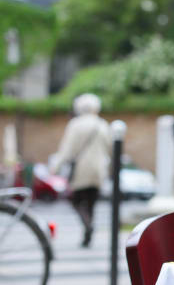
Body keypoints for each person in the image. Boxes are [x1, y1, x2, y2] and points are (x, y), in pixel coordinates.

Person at [51, 94, 111, 247]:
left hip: (81, 170)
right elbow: (111, 149)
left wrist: (55, 167)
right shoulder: (102, 124)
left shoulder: (75, 124)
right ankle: (88, 231)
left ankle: (87, 225)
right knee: (91, 203)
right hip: (98, 169)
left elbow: (67, 149)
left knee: (76, 200)